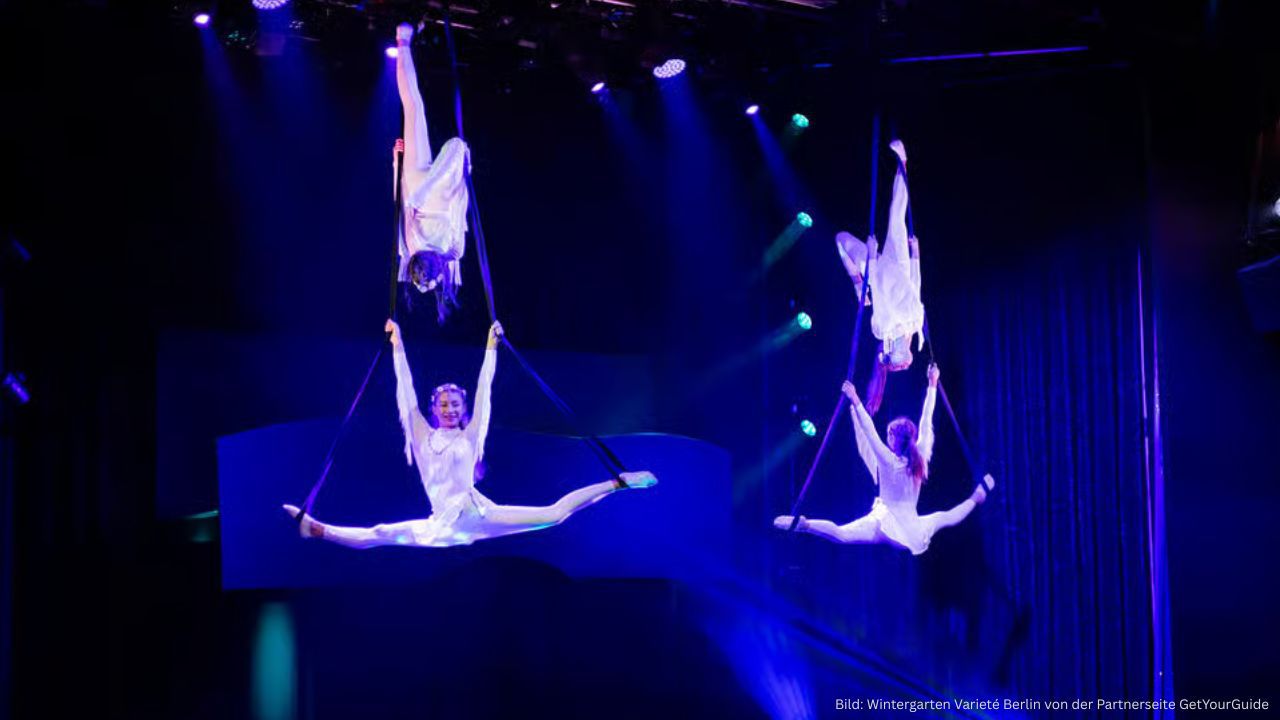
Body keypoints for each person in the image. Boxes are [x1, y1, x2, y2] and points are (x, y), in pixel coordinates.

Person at [284, 319, 657, 548]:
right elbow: (405, 389)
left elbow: (485, 389)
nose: (449, 409)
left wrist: (491, 347)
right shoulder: (420, 434)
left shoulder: (471, 436)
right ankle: (317, 530)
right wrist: (397, 344)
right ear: (434, 410)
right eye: (443, 404)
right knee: (380, 532)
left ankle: (618, 483)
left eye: (455, 404)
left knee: (555, 514)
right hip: (442, 526)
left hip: (478, 515)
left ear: (462, 411)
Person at [773, 364, 993, 555]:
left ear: (896, 440)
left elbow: (870, 432)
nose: (886, 438)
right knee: (946, 517)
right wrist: (932, 384)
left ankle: (806, 524)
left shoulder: (889, 462)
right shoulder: (920, 456)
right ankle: (977, 497)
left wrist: (855, 397)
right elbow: (927, 420)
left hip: (884, 523)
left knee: (842, 534)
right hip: (911, 529)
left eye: (889, 434)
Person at [834, 140, 925, 413]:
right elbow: (916, 286)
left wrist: (871, 257)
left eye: (898, 348)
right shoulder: (914, 321)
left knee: (841, 240)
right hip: (897, 264)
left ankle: (857, 284)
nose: (902, 341)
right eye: (904, 347)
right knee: (896, 215)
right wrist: (916, 255)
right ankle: (903, 163)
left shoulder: (883, 327)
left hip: (877, 272)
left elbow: (883, 297)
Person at [394, 22, 471, 322]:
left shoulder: (452, 252)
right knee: (414, 108)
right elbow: (399, 210)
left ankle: (404, 40)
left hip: (433, 196)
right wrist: (396, 167)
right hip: (415, 189)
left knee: (457, 145)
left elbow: (458, 212)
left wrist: (464, 172)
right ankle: (403, 40)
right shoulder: (409, 251)